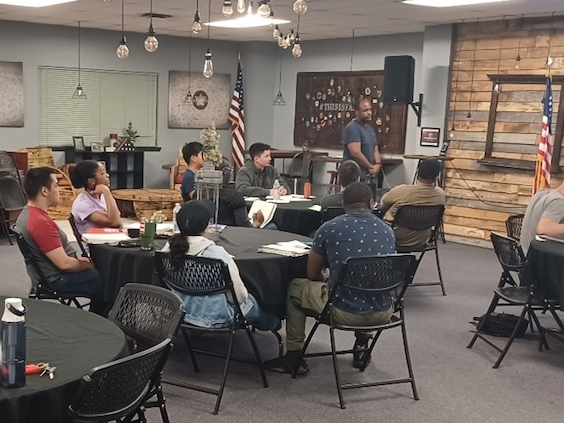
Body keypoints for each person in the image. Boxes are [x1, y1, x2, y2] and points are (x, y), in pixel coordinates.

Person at [267, 183, 397, 375]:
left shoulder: (330, 228)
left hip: (343, 311)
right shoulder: (388, 231)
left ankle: (293, 356)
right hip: (383, 311)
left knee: (296, 287)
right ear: (372, 203)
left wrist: (325, 276)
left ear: (344, 204)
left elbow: (311, 275)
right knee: (368, 282)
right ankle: (362, 345)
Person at [162, 200, 280, 332]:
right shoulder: (216, 254)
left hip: (182, 312)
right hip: (216, 316)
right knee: (254, 299)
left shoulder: (167, 249)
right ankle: (273, 324)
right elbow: (239, 296)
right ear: (206, 226)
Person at [15, 166, 107, 314]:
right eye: (56, 186)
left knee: (103, 274)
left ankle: (99, 316)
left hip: (47, 276)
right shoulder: (39, 222)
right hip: (58, 280)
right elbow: (64, 264)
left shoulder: (27, 214)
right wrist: (88, 265)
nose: (59, 190)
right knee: (108, 280)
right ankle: (103, 321)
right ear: (45, 191)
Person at [380, 158, 447, 251]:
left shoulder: (401, 191)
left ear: (418, 172)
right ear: (436, 176)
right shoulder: (441, 195)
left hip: (393, 237)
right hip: (421, 240)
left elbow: (382, 205)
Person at [179, 141, 251, 227]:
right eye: (202, 154)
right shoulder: (189, 177)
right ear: (193, 158)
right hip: (201, 212)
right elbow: (194, 196)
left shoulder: (199, 174)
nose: (205, 157)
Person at [69, 159, 121, 236]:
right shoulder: (82, 203)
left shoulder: (103, 197)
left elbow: (119, 223)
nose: (107, 175)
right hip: (95, 245)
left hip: (110, 239)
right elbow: (114, 223)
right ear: (91, 181)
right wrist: (106, 191)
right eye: (102, 173)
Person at [342, 97, 382, 181]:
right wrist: (370, 167)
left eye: (370, 110)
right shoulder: (352, 128)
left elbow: (375, 148)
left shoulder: (370, 128)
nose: (369, 113)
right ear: (357, 112)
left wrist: (378, 164)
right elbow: (356, 153)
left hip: (369, 175)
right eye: (365, 111)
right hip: (355, 176)